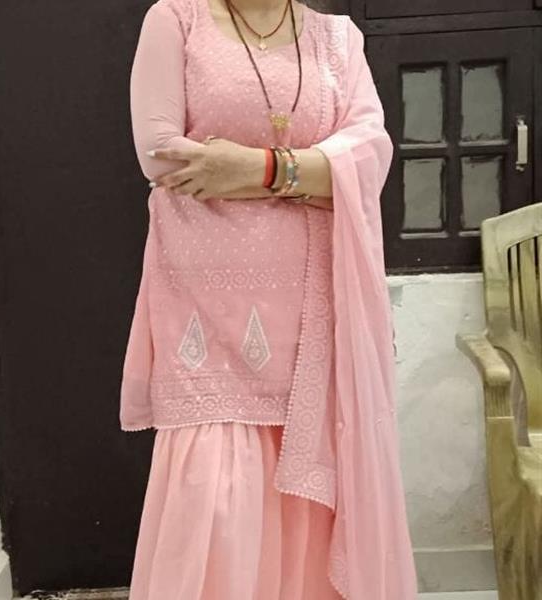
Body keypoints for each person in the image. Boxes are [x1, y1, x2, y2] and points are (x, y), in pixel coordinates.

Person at [119, 0, 419, 597]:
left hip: (313, 309)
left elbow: (369, 157)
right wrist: (309, 177)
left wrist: (255, 169)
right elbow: (162, 156)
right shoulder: (177, 21)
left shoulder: (338, 39)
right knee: (215, 489)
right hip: (209, 306)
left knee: (310, 481)